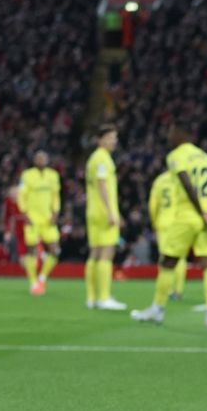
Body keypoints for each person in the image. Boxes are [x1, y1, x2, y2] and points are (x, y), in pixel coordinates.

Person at [132, 124, 207, 328]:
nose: (168, 136)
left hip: (186, 216)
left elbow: (186, 184)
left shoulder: (176, 155)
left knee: (168, 261)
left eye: (170, 132)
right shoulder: (205, 157)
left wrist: (200, 212)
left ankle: (157, 309)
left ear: (180, 134)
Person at [84, 124, 127, 311]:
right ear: (100, 140)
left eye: (115, 138)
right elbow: (102, 185)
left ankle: (92, 297)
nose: (114, 141)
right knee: (107, 253)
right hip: (103, 211)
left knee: (94, 253)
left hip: (93, 210)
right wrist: (111, 212)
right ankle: (104, 297)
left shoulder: (94, 158)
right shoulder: (102, 159)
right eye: (110, 137)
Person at [18, 150, 61, 296]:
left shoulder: (53, 175)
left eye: (44, 157)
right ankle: (33, 282)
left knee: (54, 250)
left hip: (48, 218)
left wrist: (55, 212)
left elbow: (56, 196)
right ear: (34, 160)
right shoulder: (27, 175)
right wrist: (24, 213)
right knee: (31, 250)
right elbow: (21, 195)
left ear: (47, 159)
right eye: (38, 158)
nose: (41, 160)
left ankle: (42, 277)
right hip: (32, 218)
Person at [148, 169, 187, 300]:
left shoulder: (159, 180)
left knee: (164, 257)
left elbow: (153, 205)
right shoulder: (181, 178)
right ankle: (179, 289)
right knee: (180, 257)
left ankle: (166, 289)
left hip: (163, 222)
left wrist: (154, 222)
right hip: (178, 221)